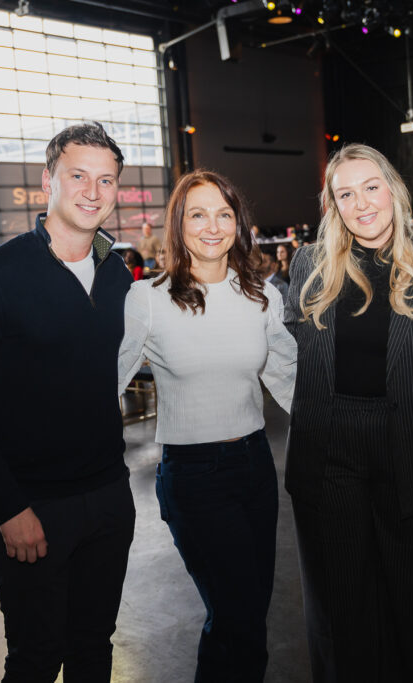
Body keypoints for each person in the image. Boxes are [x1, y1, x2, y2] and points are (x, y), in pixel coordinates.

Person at [0, 122, 136, 683]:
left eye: (106, 180)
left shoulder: (117, 275)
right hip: (32, 509)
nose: (93, 192)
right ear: (48, 180)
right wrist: (8, 507)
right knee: (36, 659)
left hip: (108, 499)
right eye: (78, 176)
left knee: (95, 649)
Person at [284, 143, 413, 682]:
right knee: (340, 608)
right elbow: (274, 350)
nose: (361, 203)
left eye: (371, 187)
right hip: (328, 453)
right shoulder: (308, 265)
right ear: (333, 204)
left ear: (393, 191)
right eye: (345, 193)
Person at [117, 170, 296, 682]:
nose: (212, 226)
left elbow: (290, 377)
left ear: (238, 223)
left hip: (256, 467)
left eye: (224, 213)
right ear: (179, 224)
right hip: (195, 477)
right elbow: (106, 379)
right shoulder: (148, 299)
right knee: (235, 614)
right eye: (198, 214)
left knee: (251, 615)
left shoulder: (261, 295)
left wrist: (354, 433)